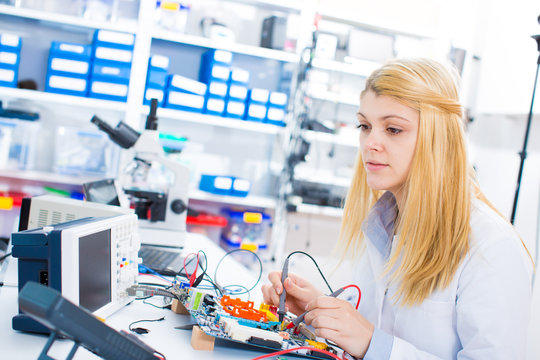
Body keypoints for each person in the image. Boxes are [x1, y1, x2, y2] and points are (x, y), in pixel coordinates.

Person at [262, 58, 533, 359]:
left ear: (438, 139)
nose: (370, 143)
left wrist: (371, 343)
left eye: (393, 129)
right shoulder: (384, 224)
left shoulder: (491, 247)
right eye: (365, 126)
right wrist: (320, 311)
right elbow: (383, 327)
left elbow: (379, 343)